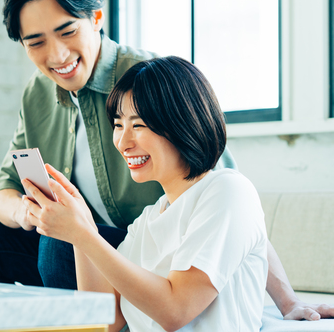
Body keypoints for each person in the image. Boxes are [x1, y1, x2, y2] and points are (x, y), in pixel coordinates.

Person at [0, 0, 334, 321]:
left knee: (62, 243)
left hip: (153, 252)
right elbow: (3, 186)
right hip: (115, 242)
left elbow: (227, 199)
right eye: (35, 43)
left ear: (95, 18)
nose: (57, 55)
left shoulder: (149, 81)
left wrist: (289, 301)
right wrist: (26, 213)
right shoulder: (38, 94)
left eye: (67, 32)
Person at [22, 56, 267, 331]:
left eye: (138, 125)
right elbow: (104, 321)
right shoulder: (147, 222)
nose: (123, 142)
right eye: (117, 125)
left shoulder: (227, 191)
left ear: (182, 123)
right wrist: (80, 224)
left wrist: (84, 234)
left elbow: (177, 309)